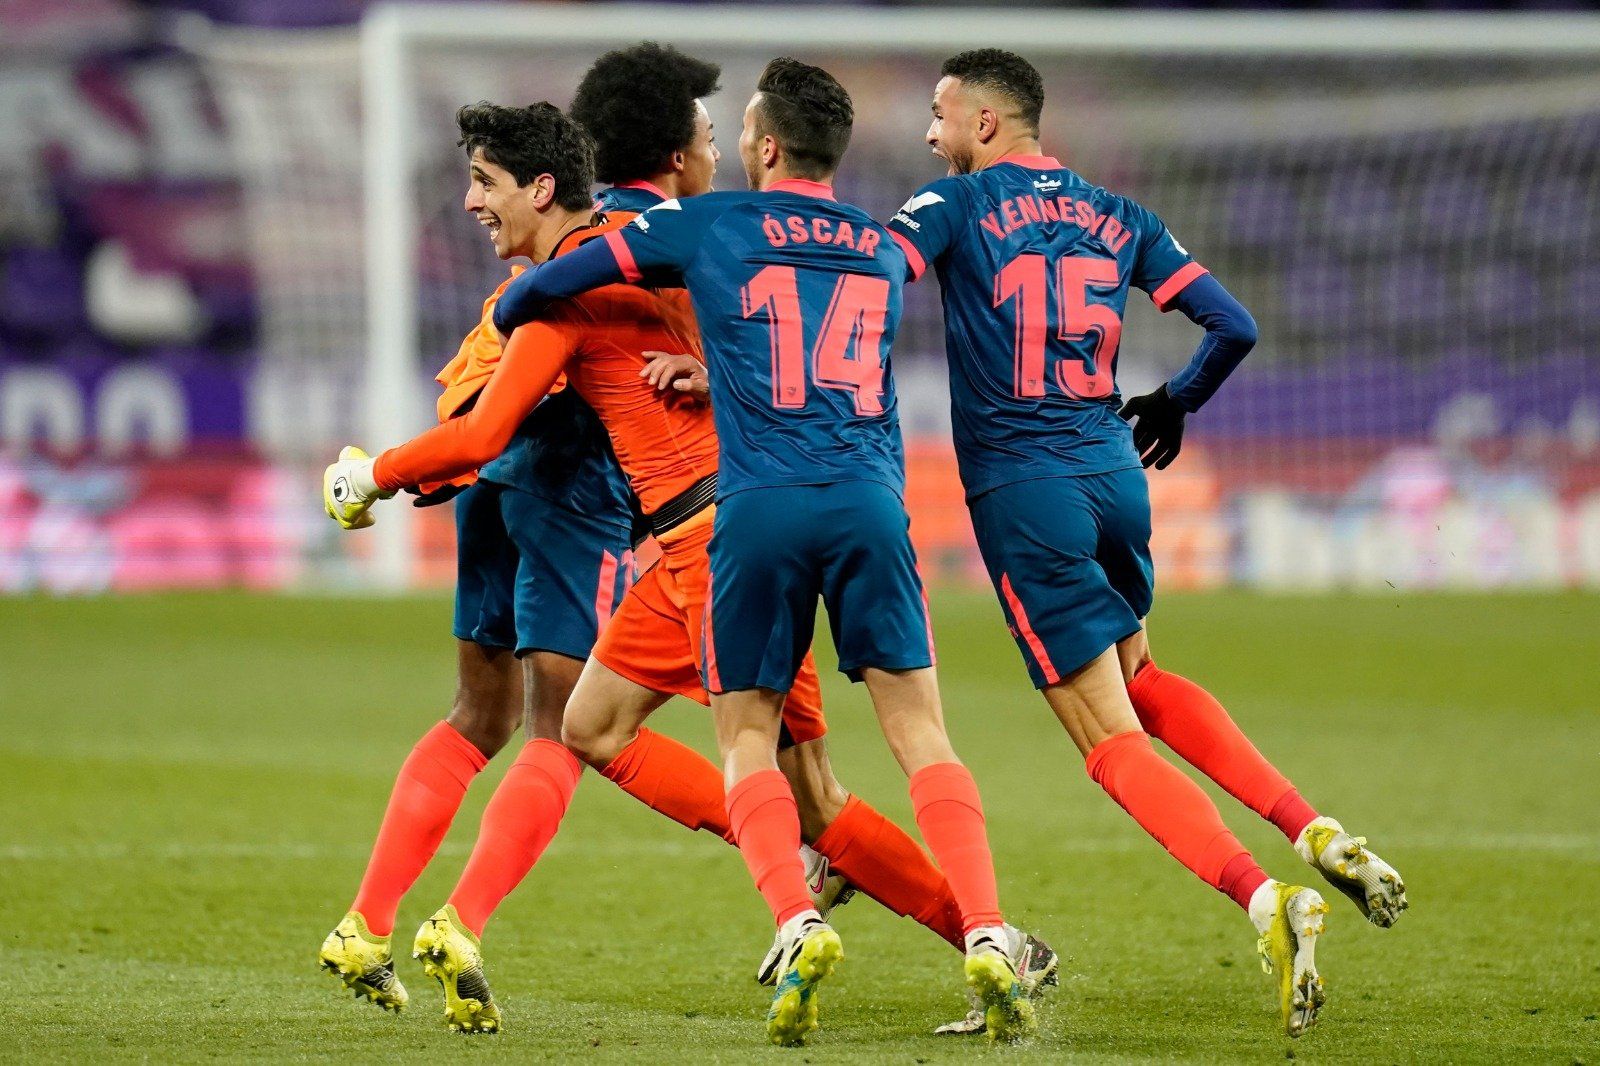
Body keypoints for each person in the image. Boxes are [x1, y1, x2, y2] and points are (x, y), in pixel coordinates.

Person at [327, 62, 1051, 1042]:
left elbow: (484, 406)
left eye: (485, 183)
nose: (717, 145)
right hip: (806, 505)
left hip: (674, 524)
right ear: (680, 154)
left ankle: (795, 913)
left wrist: (391, 461)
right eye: (703, 133)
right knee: (793, 767)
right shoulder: (752, 242)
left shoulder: (657, 247)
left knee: (575, 727)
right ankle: (985, 933)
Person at [883, 49, 1409, 1038]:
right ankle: (1312, 828)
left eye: (940, 114)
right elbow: (1232, 322)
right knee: (1141, 671)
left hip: (1023, 488)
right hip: (1114, 474)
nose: (927, 133)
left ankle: (1265, 900)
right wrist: (1177, 400)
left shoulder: (948, 209)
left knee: (1105, 735)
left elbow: (870, 276)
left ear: (986, 124)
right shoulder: (1118, 214)